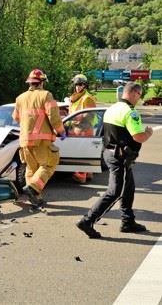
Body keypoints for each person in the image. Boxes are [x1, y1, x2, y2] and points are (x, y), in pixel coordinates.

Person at [76, 82, 153, 239]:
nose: (139, 99)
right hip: (121, 157)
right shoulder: (130, 112)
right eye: (140, 95)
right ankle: (87, 220)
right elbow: (138, 137)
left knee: (128, 187)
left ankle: (128, 221)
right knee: (115, 192)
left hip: (109, 153)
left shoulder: (112, 109)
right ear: (134, 93)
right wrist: (148, 133)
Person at [12, 69, 66, 209]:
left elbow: (16, 118)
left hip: (24, 140)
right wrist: (61, 131)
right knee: (48, 165)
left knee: (31, 169)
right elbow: (54, 117)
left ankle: (35, 199)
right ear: (41, 82)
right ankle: (33, 188)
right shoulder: (46, 95)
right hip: (42, 140)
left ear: (30, 83)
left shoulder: (20, 98)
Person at [67, 74, 97, 183]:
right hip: (77, 129)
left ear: (85, 85)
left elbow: (89, 115)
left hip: (84, 129)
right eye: (76, 84)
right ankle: (88, 174)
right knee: (84, 153)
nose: (78, 87)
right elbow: (72, 111)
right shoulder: (75, 98)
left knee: (80, 154)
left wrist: (73, 118)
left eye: (80, 84)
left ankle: (81, 176)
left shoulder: (87, 98)